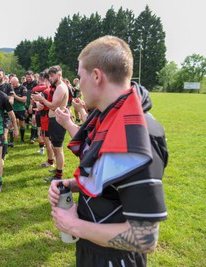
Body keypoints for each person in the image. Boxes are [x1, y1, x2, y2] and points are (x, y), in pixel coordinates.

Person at [48, 35, 168, 266]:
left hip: (116, 259)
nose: (78, 86)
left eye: (80, 77)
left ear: (96, 76)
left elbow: (145, 238)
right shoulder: (107, 117)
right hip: (92, 249)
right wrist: (69, 185)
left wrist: (73, 225)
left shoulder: (140, 134)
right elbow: (113, 182)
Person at [32, 65, 69, 182]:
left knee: (58, 148)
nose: (51, 78)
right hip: (55, 121)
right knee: (55, 147)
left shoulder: (61, 88)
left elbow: (53, 106)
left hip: (58, 121)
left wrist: (41, 99)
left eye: (53, 76)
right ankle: (58, 169)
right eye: (50, 76)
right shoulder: (58, 87)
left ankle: (59, 175)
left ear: (59, 75)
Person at [0, 68, 15, 156]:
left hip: (5, 114)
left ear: (3, 76)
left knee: (4, 134)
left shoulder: (8, 86)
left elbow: (11, 100)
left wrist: (3, 99)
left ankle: (2, 157)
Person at [10, 77, 28, 143]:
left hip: (21, 109)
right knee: (11, 125)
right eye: (11, 84)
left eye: (14, 84)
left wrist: (15, 96)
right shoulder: (10, 88)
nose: (12, 85)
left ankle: (22, 139)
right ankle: (11, 141)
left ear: (17, 82)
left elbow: (24, 99)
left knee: (22, 124)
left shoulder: (23, 88)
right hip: (12, 109)